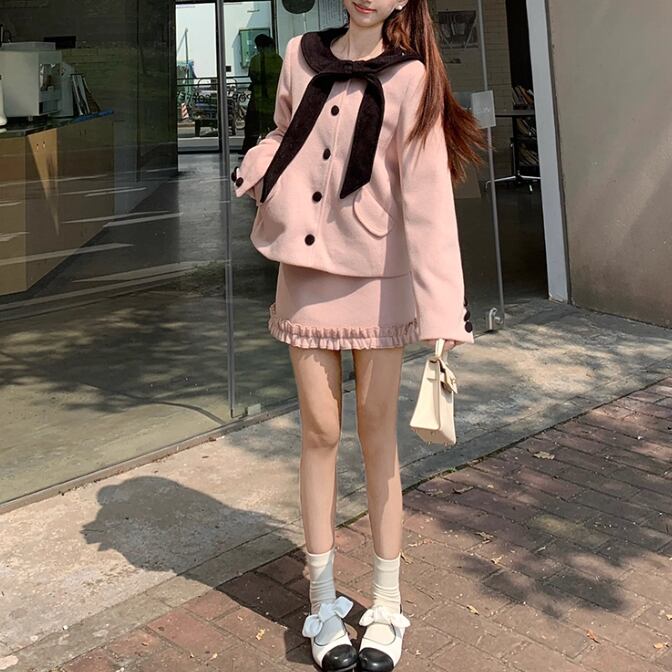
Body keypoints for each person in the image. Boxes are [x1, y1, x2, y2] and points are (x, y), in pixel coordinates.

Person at [231, 2, 486, 669]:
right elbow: (286, 132)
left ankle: (387, 605)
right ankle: (321, 603)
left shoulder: (411, 77)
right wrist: (259, 166)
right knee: (319, 433)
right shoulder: (299, 56)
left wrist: (443, 314)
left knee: (378, 439)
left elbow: (427, 201)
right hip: (305, 274)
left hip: (380, 281)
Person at [241, 34, 283, 154]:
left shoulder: (256, 60)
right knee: (274, 126)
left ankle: (248, 149)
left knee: (252, 126)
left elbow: (252, 76)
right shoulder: (277, 59)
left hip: (259, 99)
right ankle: (276, 147)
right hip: (273, 98)